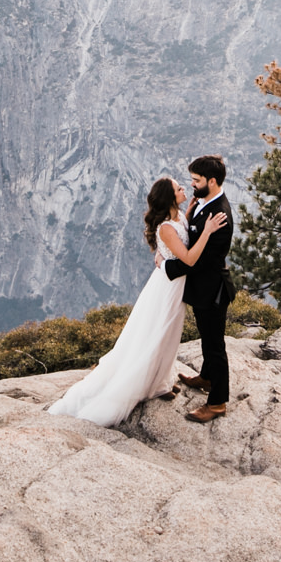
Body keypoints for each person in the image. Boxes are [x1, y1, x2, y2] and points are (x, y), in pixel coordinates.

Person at [47, 176, 228, 427]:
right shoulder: (166, 226)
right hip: (167, 289)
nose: (184, 188)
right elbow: (187, 259)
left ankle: (158, 383)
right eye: (178, 188)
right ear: (169, 197)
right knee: (156, 335)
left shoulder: (179, 217)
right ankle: (139, 385)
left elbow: (180, 233)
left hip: (176, 286)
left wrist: (185, 216)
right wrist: (207, 232)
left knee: (169, 335)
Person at [163, 154, 234, 422]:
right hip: (203, 288)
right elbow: (193, 237)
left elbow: (201, 260)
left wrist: (168, 268)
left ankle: (217, 403)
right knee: (206, 337)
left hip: (212, 289)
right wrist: (191, 215)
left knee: (215, 345)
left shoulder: (220, 214)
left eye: (196, 180)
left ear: (212, 181)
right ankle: (206, 377)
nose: (191, 184)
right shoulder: (206, 204)